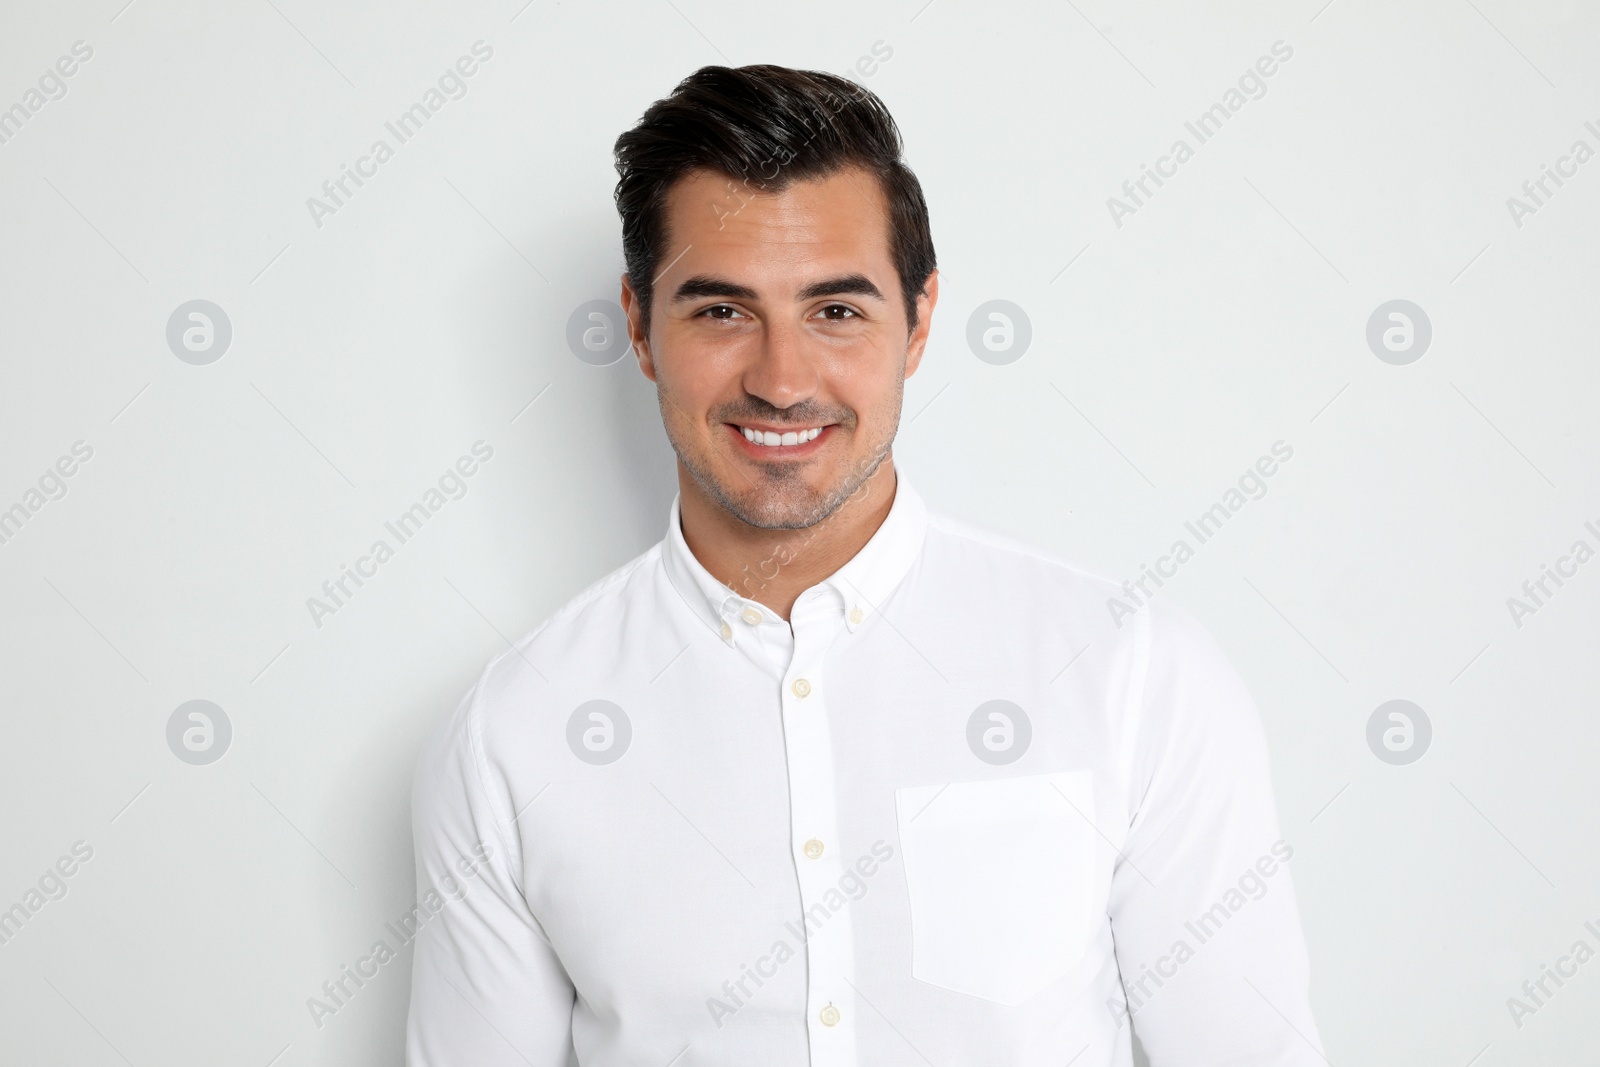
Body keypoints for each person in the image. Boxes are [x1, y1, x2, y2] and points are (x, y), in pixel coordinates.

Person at [405, 63, 1324, 1066]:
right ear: (638, 326)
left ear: (919, 321)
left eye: (835, 311)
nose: (781, 379)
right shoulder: (515, 731)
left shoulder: (1132, 671)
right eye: (721, 311)